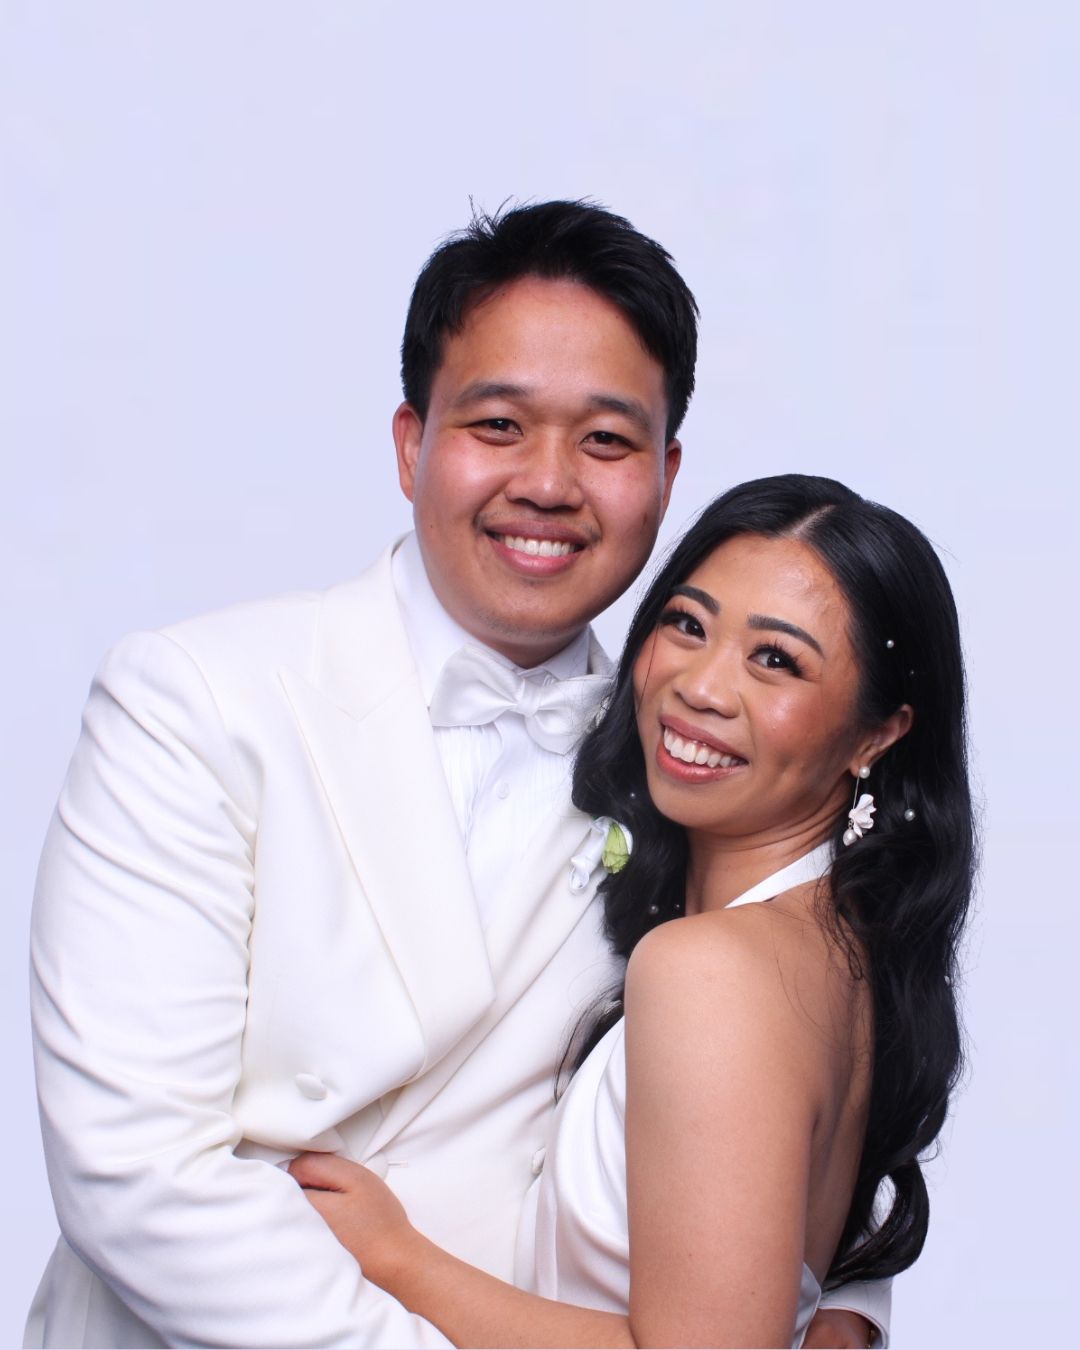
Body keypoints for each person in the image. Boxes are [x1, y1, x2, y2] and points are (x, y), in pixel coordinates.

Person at [26, 203, 885, 1347]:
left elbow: (805, 1040)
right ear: (410, 443)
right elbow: (135, 1171)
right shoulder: (196, 699)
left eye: (606, 441)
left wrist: (841, 1307)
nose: (548, 482)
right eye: (498, 425)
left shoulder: (699, 752)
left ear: (666, 474)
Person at [287, 474, 974, 1348]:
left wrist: (398, 1259)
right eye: (687, 624)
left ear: (878, 733)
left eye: (776, 661)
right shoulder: (842, 945)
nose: (702, 687)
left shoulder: (712, 969)